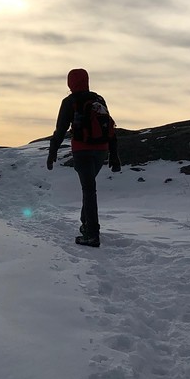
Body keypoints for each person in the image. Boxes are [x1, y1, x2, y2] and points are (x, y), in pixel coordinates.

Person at [47, 68, 121, 247]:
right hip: (101, 150)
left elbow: (61, 129)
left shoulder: (69, 102)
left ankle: (92, 234)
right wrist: (114, 155)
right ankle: (86, 223)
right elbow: (110, 128)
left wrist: (52, 151)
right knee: (89, 189)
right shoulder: (98, 99)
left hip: (82, 151)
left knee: (89, 190)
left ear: (70, 83)